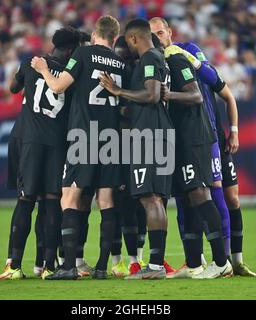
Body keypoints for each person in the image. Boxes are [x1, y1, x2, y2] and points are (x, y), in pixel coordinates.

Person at [32, 15, 128, 280]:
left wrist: (42, 69)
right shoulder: (121, 63)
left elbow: (59, 87)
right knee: (106, 200)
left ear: (95, 34)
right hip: (112, 139)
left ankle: (69, 266)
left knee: (69, 198)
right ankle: (101, 268)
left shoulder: (83, 54)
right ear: (115, 38)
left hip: (84, 137)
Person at [150, 17, 232, 279]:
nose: (157, 39)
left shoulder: (179, 56)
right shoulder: (160, 63)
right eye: (153, 35)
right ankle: (194, 263)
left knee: (202, 194)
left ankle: (222, 261)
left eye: (160, 33)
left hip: (196, 136)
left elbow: (197, 93)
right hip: (178, 139)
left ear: (169, 33)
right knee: (186, 198)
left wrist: (167, 94)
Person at [0, 27, 82, 280]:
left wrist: (27, 79)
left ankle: (13, 266)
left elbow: (13, 88)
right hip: (57, 144)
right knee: (52, 202)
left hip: (31, 141)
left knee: (25, 201)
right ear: (69, 50)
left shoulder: (31, 63)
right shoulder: (71, 74)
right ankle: (48, 266)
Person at [99, 18, 173, 280]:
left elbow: (152, 95)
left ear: (133, 39)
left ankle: (154, 267)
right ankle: (154, 264)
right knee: (154, 198)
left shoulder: (150, 59)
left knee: (149, 198)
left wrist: (119, 91)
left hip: (149, 136)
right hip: (158, 134)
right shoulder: (157, 57)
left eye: (128, 44)